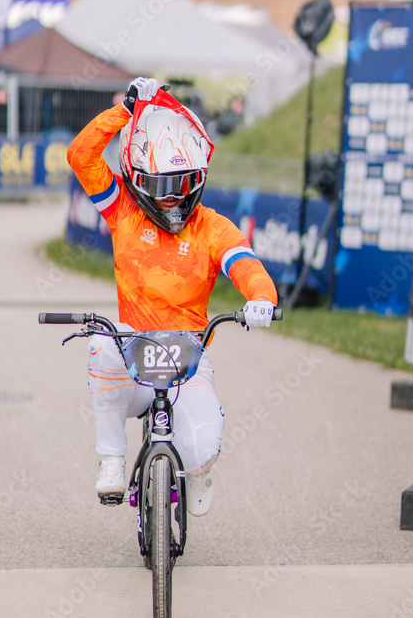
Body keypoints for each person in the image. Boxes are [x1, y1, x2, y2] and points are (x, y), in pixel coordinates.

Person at [67, 77, 278, 516]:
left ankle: (199, 470)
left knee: (202, 448)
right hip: (133, 360)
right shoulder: (120, 210)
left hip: (189, 362)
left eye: (184, 184)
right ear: (137, 180)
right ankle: (111, 458)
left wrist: (261, 298)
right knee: (102, 343)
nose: (171, 200)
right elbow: (81, 156)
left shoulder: (212, 226)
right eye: (160, 186)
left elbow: (247, 266)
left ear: (200, 178)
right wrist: (125, 110)